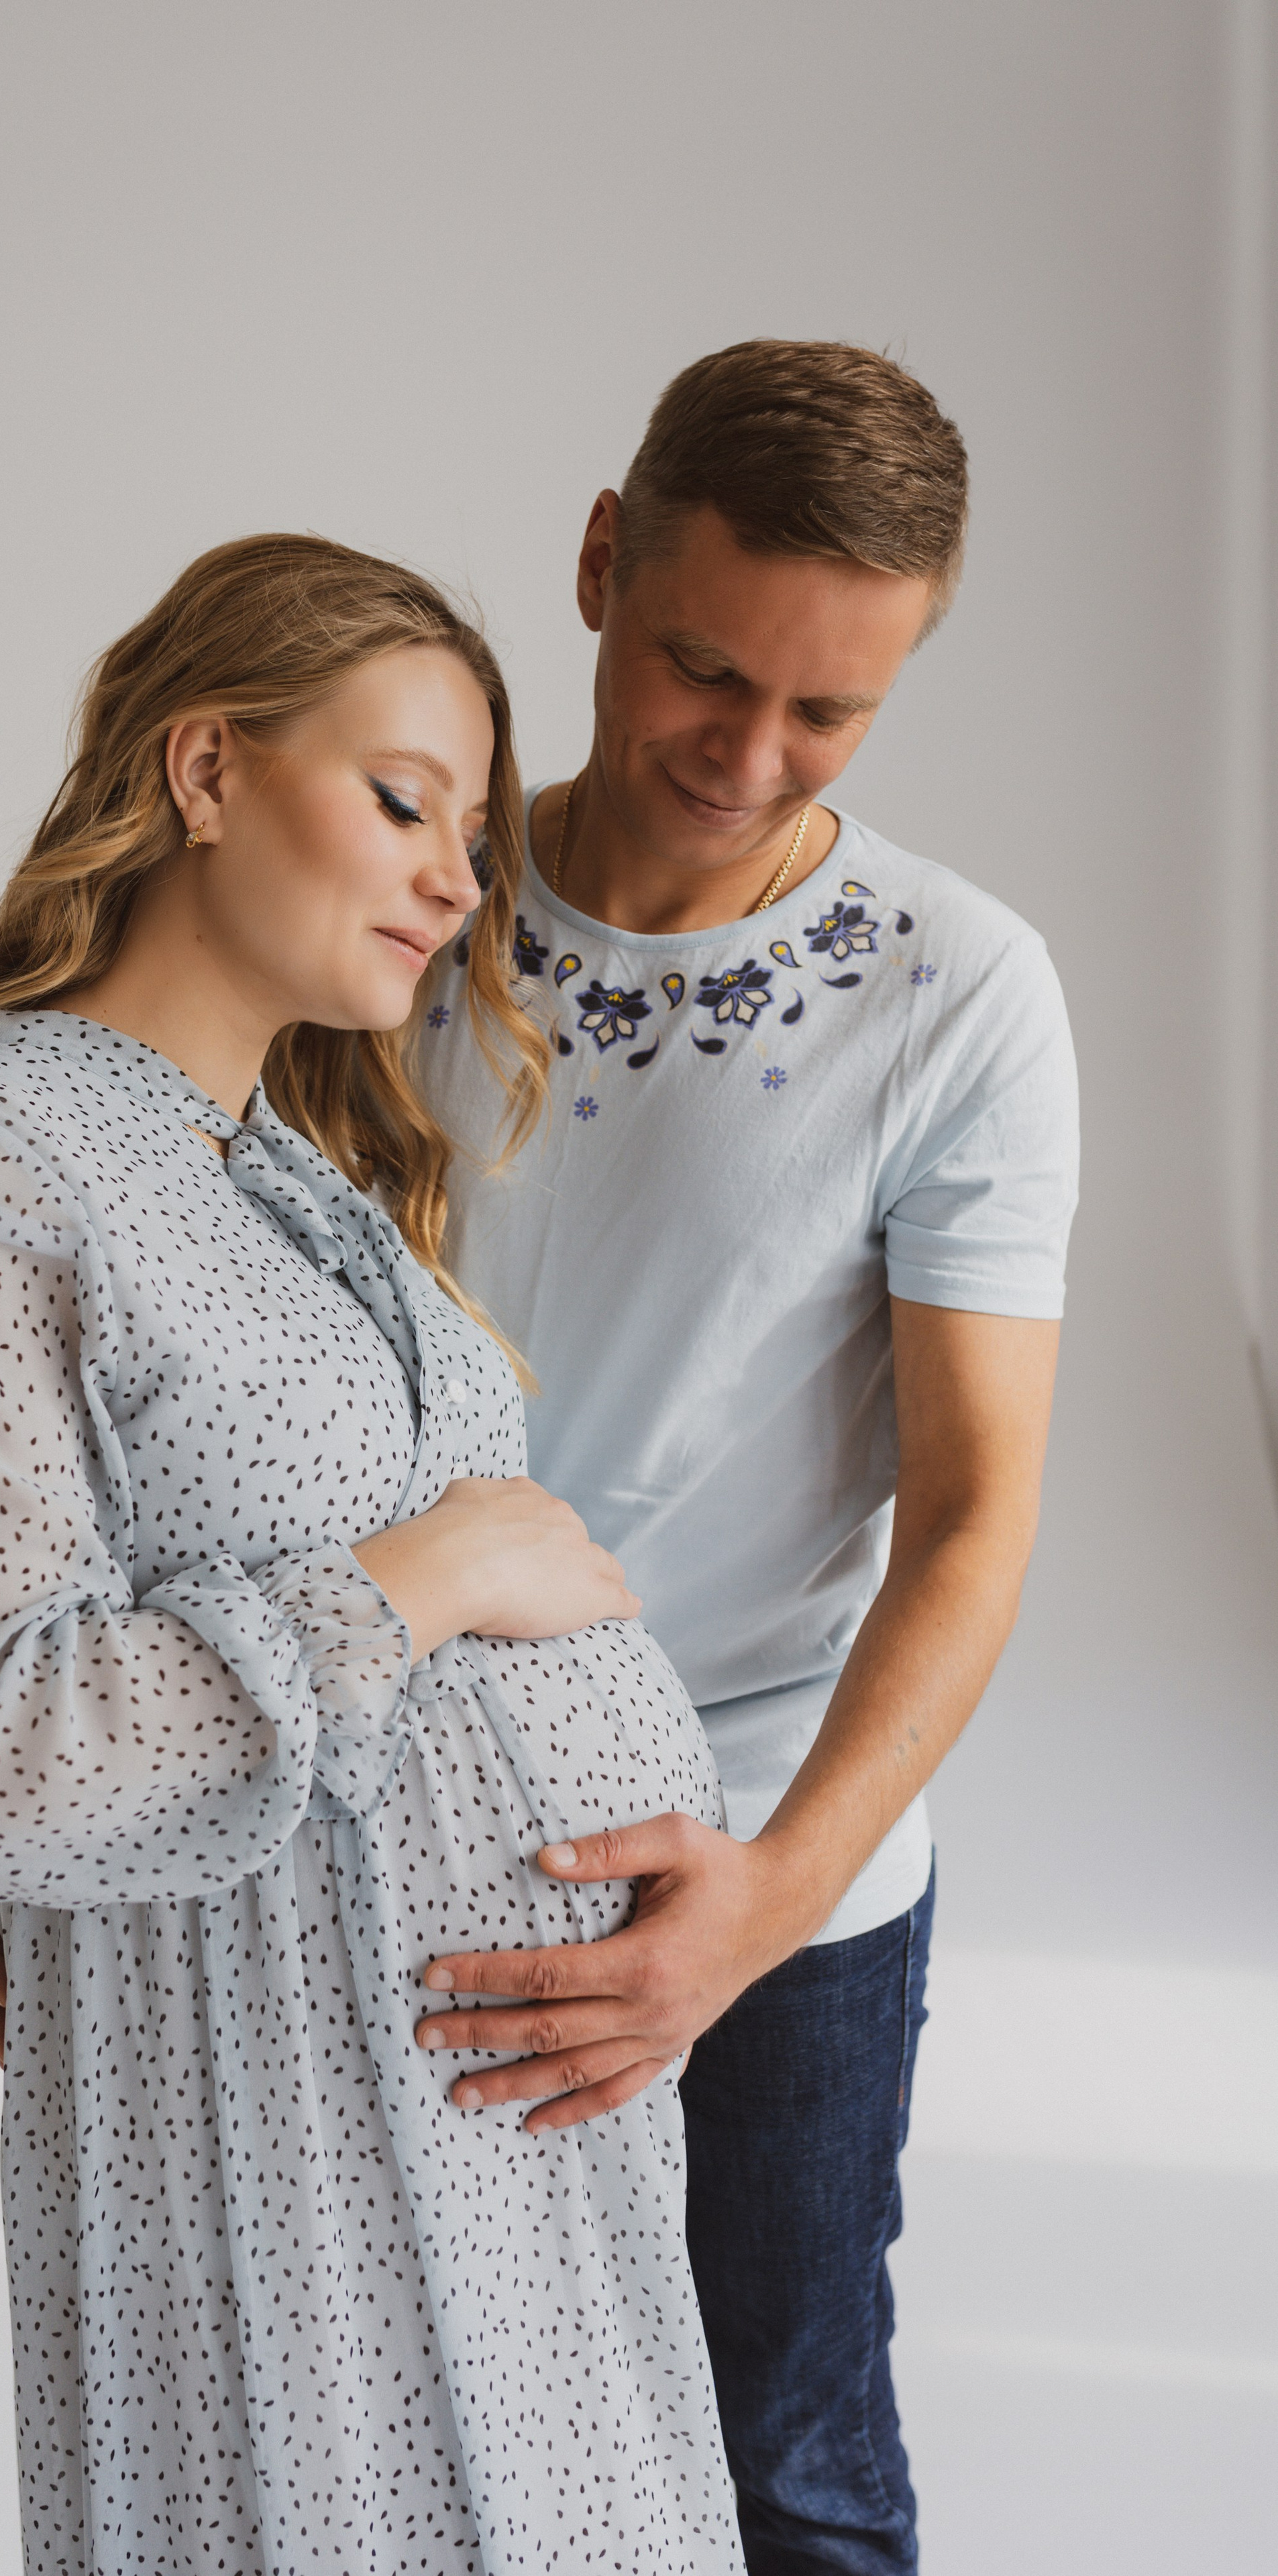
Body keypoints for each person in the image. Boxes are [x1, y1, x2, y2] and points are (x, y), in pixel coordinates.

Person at [0, 534, 746, 2576]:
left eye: (473, 834)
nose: (454, 880)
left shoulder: (284, 1173)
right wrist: (432, 1572)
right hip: (289, 2179)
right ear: (206, 769)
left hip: (495, 2164)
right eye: (404, 802)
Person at [403, 342, 1078, 2573]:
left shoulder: (960, 991)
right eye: (706, 671)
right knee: (402, 2457)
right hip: (379, 1831)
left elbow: (977, 1521)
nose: (749, 753)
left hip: (764, 1870)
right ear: (604, 562)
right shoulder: (396, 903)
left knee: (781, 2473)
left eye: (831, 713)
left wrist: (768, 1905)